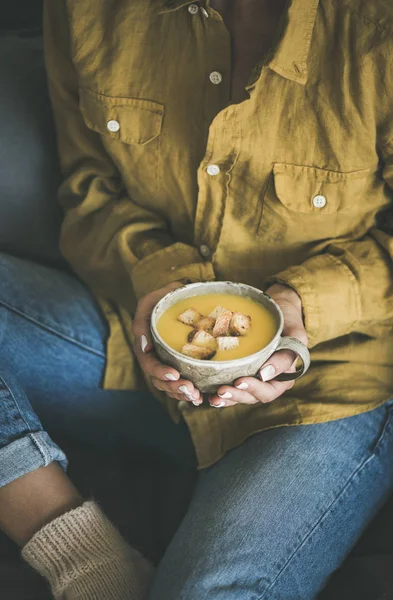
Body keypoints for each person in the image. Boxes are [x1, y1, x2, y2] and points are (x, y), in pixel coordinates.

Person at [2, 0, 393, 598]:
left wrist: (297, 307)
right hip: (127, 347)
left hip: (326, 385)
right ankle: (88, 563)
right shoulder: (85, 11)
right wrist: (161, 280)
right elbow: (90, 192)